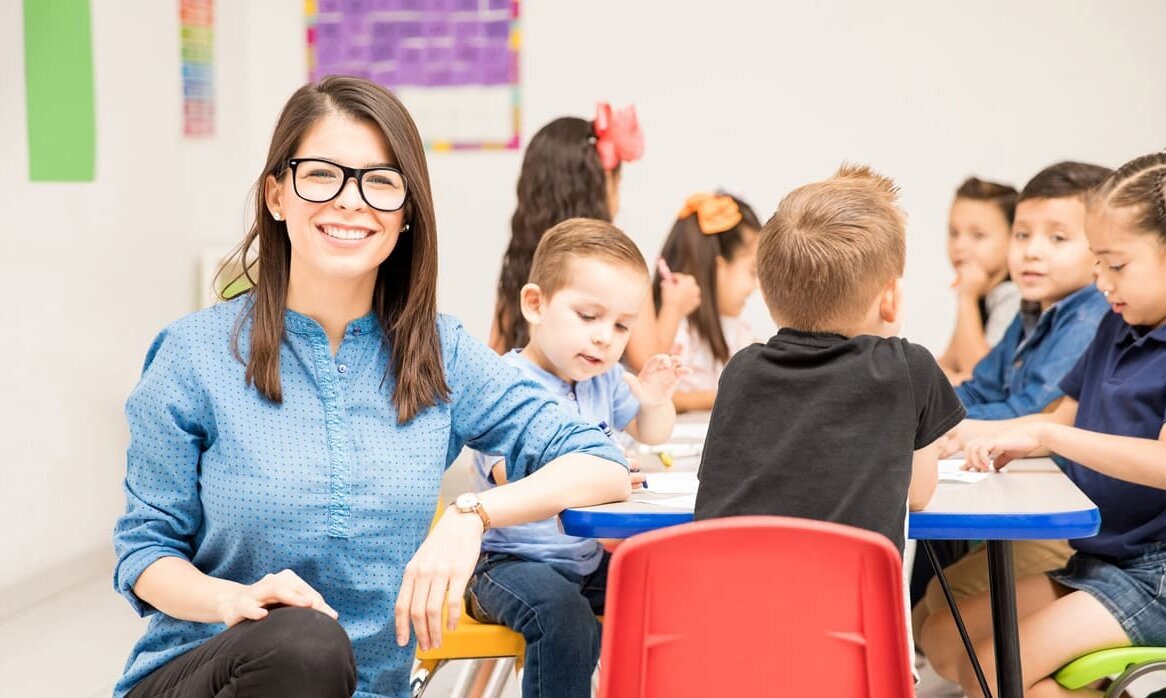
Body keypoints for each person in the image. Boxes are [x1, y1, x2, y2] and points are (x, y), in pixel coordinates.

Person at [112, 76, 630, 698]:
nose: (351, 202)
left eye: (380, 181)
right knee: (305, 644)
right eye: (321, 174)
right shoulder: (193, 353)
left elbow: (601, 464)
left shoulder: (440, 352)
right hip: (206, 672)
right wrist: (235, 599)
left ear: (405, 213)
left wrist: (472, 514)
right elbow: (144, 554)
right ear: (277, 194)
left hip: (371, 685)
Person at [920, 152, 1166, 697]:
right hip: (1102, 556)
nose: (1101, 281)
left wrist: (1047, 436)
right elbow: (1059, 416)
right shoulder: (1119, 324)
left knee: (992, 672)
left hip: (1157, 576)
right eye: (1097, 262)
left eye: (1116, 265)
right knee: (943, 636)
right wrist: (976, 434)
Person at [466, 218, 686, 697]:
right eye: (589, 317)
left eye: (622, 325)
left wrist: (655, 398)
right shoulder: (503, 385)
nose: (605, 337)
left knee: (674, 592)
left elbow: (652, 433)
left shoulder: (603, 380)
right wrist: (595, 473)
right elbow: (510, 473)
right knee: (563, 617)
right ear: (535, 304)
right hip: (508, 564)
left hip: (584, 561)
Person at [489, 103, 653, 354]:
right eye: (587, 316)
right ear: (598, 188)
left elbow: (494, 354)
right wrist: (676, 307)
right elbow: (647, 357)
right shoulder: (618, 266)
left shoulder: (519, 263)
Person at [629, 192, 760, 411]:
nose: (756, 285)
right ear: (717, 268)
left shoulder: (740, 333)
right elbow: (657, 392)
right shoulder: (676, 330)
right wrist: (724, 396)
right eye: (752, 271)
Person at [938, 177, 1022, 384]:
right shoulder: (980, 290)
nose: (960, 245)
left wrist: (966, 298)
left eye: (978, 235)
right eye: (954, 233)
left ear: (1013, 237)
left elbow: (981, 375)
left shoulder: (1013, 294)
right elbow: (946, 364)